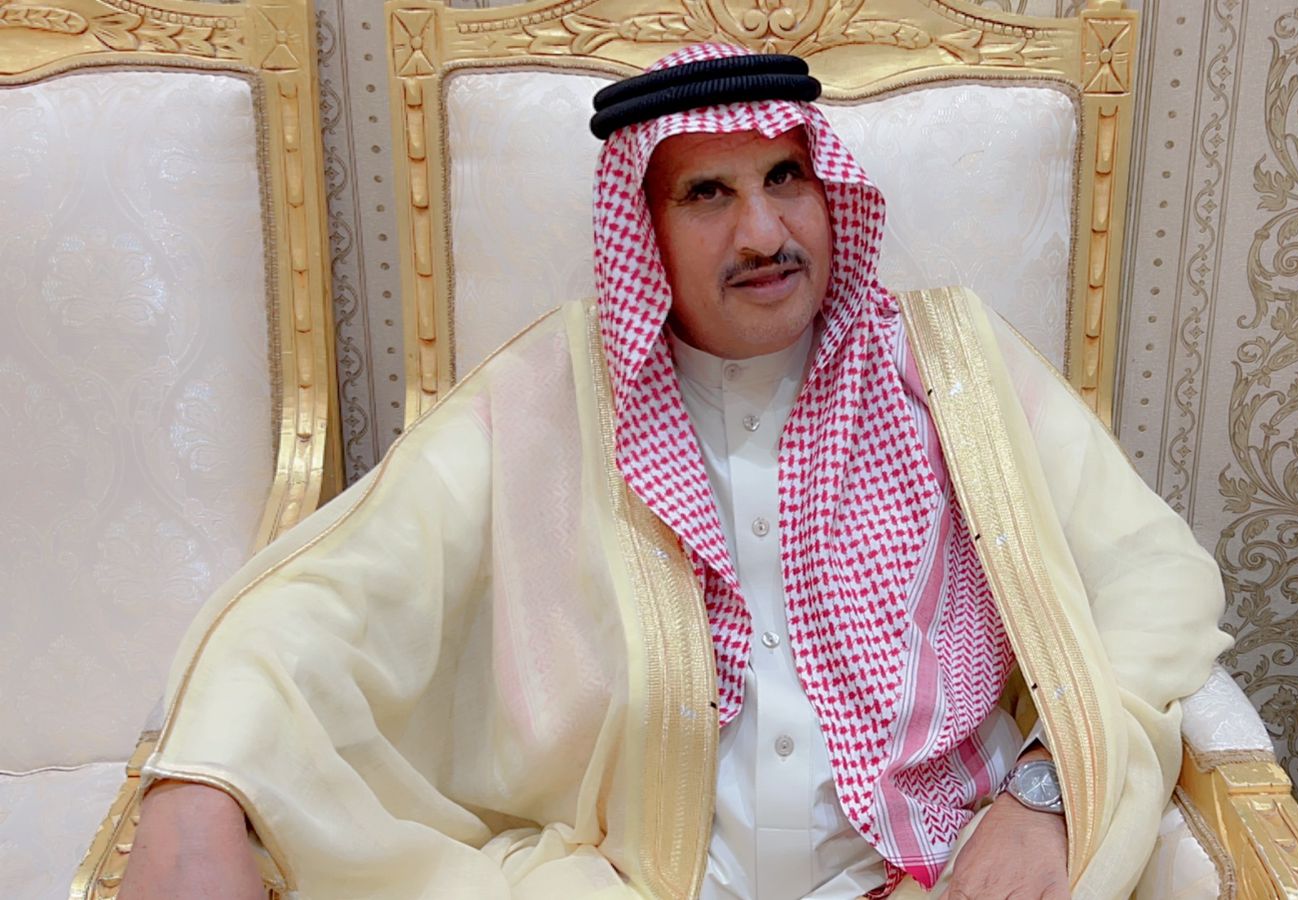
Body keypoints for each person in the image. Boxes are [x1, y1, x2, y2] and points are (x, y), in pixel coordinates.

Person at [120, 44, 1229, 900]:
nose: (764, 232)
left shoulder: (955, 367)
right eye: (707, 194)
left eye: (786, 176)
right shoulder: (555, 397)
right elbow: (333, 600)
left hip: (933, 871)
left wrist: (1043, 796)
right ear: (641, 228)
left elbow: (1153, 575)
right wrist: (200, 791)